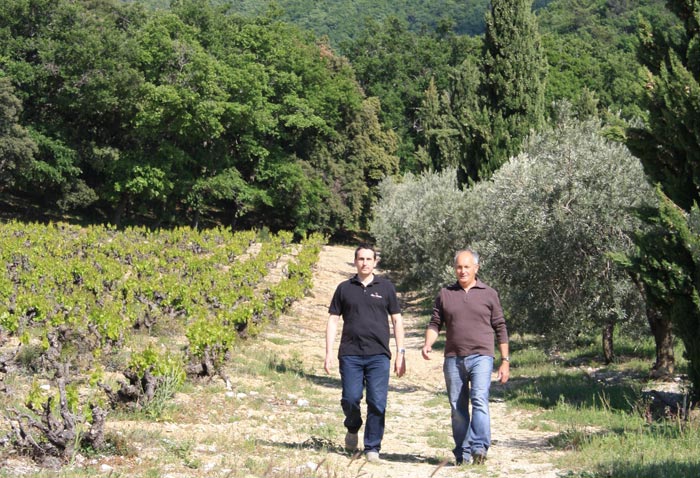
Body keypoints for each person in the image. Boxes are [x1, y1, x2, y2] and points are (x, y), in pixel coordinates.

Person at [421, 248, 509, 465]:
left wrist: (505, 360)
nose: (462, 271)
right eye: (459, 267)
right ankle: (462, 452)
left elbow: (500, 327)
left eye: (467, 267)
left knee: (479, 399)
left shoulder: (489, 293)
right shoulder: (445, 294)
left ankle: (479, 448)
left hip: (482, 356)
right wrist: (428, 344)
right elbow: (435, 323)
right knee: (457, 407)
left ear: (476, 268)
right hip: (454, 358)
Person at [324, 244, 406, 463]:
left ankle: (372, 448)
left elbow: (397, 320)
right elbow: (333, 320)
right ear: (355, 261)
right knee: (350, 398)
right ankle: (352, 426)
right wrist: (328, 352)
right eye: (361, 259)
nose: (365, 263)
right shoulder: (344, 288)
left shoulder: (386, 287)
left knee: (377, 402)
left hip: (379, 354)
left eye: (369, 259)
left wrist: (401, 352)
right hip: (350, 353)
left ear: (375, 262)